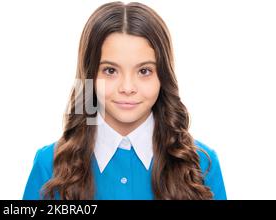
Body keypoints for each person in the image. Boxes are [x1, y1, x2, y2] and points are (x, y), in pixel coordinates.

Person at [23, 1, 226, 200]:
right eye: (110, 70)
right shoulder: (48, 164)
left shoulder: (202, 165)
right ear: (89, 78)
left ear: (162, 77)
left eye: (144, 71)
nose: (127, 88)